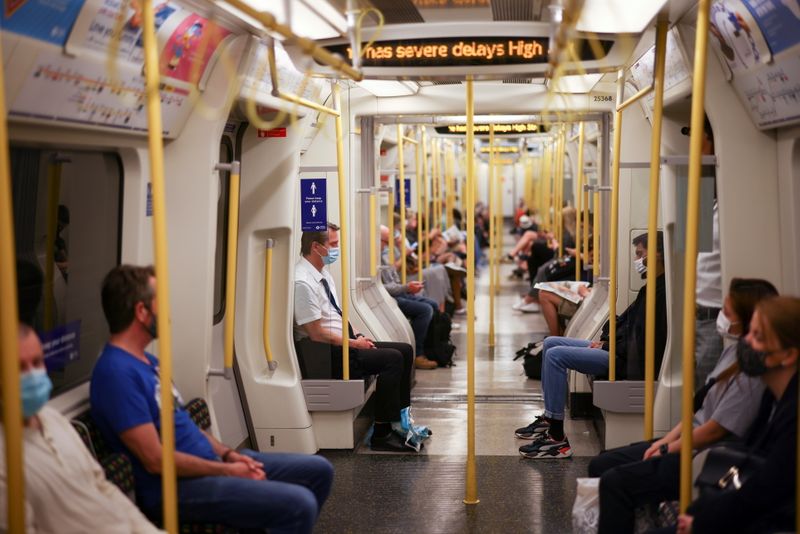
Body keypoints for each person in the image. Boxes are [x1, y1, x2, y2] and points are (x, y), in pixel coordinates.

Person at [91, 265, 334, 533]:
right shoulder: (116, 373)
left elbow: (182, 424)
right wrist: (227, 471)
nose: (169, 312)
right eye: (161, 302)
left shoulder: (148, 362)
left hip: (210, 465)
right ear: (141, 312)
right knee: (298, 504)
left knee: (318, 470)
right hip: (175, 488)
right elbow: (155, 459)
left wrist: (229, 455)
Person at [590, 278, 777, 534]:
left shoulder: (751, 372)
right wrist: (664, 441)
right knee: (601, 463)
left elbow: (715, 430)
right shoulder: (733, 354)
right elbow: (698, 410)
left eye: (726, 313)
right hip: (689, 442)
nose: (720, 318)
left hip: (704, 452)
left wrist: (669, 448)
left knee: (615, 481)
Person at [514, 232, 667, 459]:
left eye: (641, 254)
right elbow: (622, 322)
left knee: (556, 356)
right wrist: (606, 341)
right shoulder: (649, 288)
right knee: (551, 343)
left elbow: (642, 340)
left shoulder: (661, 294)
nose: (638, 260)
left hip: (627, 360)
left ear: (658, 254)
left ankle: (557, 438)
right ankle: (549, 417)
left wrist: (608, 347)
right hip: (618, 349)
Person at [0, 323, 165, 533]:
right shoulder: (5, 459)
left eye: (37, 362)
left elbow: (101, 485)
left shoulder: (53, 419)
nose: (32, 375)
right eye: (19, 368)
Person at [293, 223, 425, 453]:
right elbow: (315, 332)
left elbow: (336, 314)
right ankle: (382, 433)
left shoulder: (322, 273)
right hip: (326, 354)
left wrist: (355, 334)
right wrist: (354, 343)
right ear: (315, 246)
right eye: (332, 244)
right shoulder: (303, 282)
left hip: (342, 343)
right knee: (392, 359)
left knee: (404, 350)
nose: (336, 249)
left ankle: (401, 423)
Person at [674, 296, 800, 534]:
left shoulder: (793, 415)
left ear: (788, 354)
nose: (747, 342)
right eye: (749, 332)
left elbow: (766, 488)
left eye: (758, 337)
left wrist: (700, 523)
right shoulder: (773, 398)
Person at [379, 225, 438, 370]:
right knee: (425, 310)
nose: (388, 245)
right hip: (388, 298)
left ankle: (430, 349)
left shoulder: (385, 253)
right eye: (386, 241)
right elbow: (379, 287)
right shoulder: (371, 258)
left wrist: (406, 288)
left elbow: (394, 278)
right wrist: (405, 288)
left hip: (399, 292)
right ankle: (418, 354)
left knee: (433, 305)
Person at [693, 117, 723, 387]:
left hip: (716, 314)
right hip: (696, 310)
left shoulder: (734, 201)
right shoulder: (706, 195)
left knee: (705, 389)